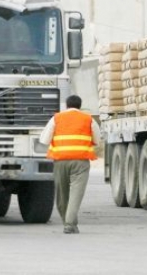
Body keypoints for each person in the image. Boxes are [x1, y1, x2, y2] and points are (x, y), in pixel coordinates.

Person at [39, 94, 101, 234]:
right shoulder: (88, 119)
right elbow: (97, 140)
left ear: (66, 105)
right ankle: (69, 224)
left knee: (62, 195)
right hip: (80, 162)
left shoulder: (56, 118)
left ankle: (68, 222)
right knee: (75, 194)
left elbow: (44, 140)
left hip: (60, 161)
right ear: (80, 105)